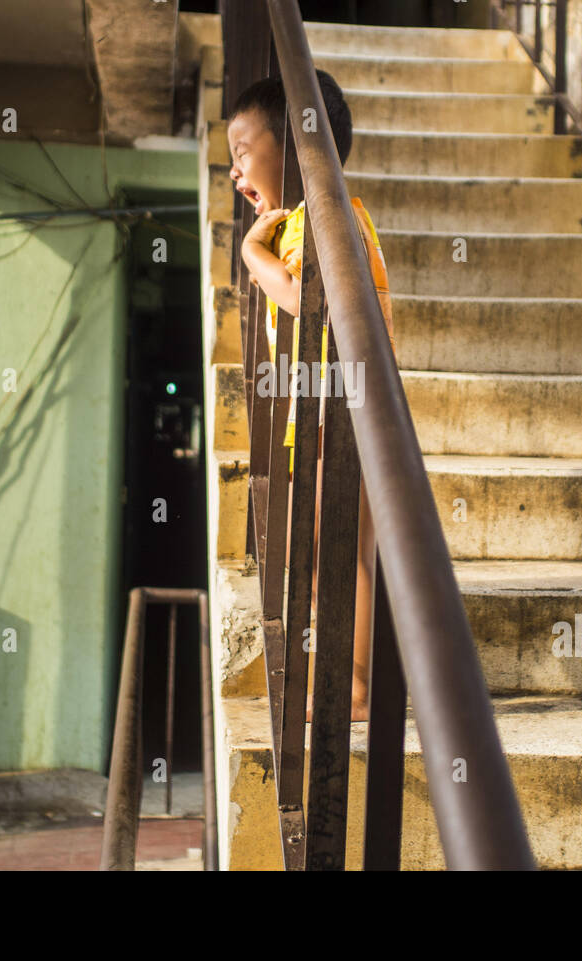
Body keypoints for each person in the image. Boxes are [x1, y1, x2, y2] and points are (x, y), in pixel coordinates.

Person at [226, 68, 397, 723]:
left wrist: (250, 251)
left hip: (340, 412)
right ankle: (351, 680)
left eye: (244, 152)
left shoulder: (315, 221)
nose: (237, 172)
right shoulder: (325, 216)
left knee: (337, 553)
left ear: (294, 147)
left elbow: (305, 299)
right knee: (339, 554)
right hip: (344, 408)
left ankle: (354, 688)